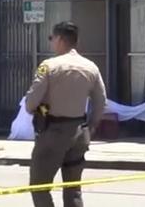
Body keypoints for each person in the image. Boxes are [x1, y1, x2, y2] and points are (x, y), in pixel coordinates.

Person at [25, 22, 107, 207]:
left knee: (39, 186)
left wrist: (38, 110)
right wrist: (91, 126)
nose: (51, 43)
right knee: (73, 189)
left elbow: (31, 103)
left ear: (60, 39)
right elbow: (101, 102)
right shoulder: (91, 67)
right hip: (80, 132)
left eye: (52, 38)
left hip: (53, 132)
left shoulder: (49, 66)